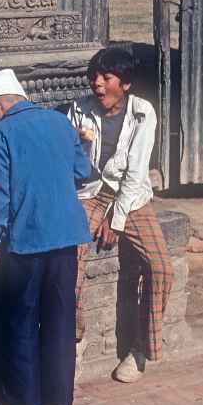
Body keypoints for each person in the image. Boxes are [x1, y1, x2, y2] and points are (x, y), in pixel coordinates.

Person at [0, 68, 91, 405]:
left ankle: (26, 404)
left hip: (25, 241)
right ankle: (60, 404)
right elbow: (82, 170)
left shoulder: (0, 133)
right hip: (66, 235)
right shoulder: (62, 124)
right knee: (60, 318)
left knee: (23, 318)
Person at [68, 47, 174, 383]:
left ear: (124, 83)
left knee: (160, 267)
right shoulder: (79, 110)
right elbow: (70, 159)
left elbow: (136, 173)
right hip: (89, 193)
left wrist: (116, 220)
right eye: (94, 77)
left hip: (131, 196)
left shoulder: (143, 113)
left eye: (105, 77)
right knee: (69, 258)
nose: (97, 84)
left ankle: (140, 347)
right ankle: (74, 342)